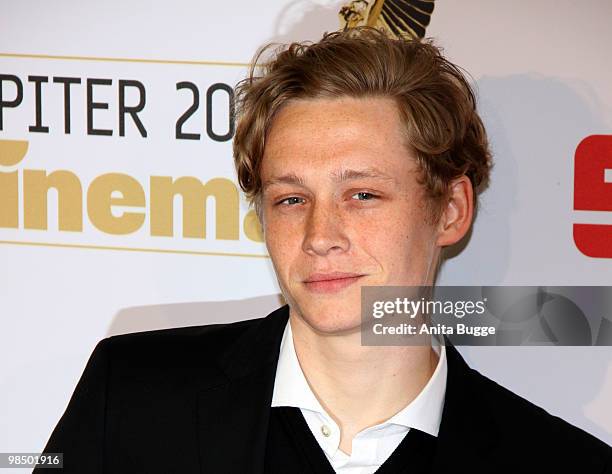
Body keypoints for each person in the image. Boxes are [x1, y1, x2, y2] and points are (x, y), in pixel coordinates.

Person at [36, 27, 611, 473]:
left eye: (362, 194)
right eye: (290, 199)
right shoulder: (130, 400)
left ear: (451, 209)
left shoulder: (563, 463)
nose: (319, 235)